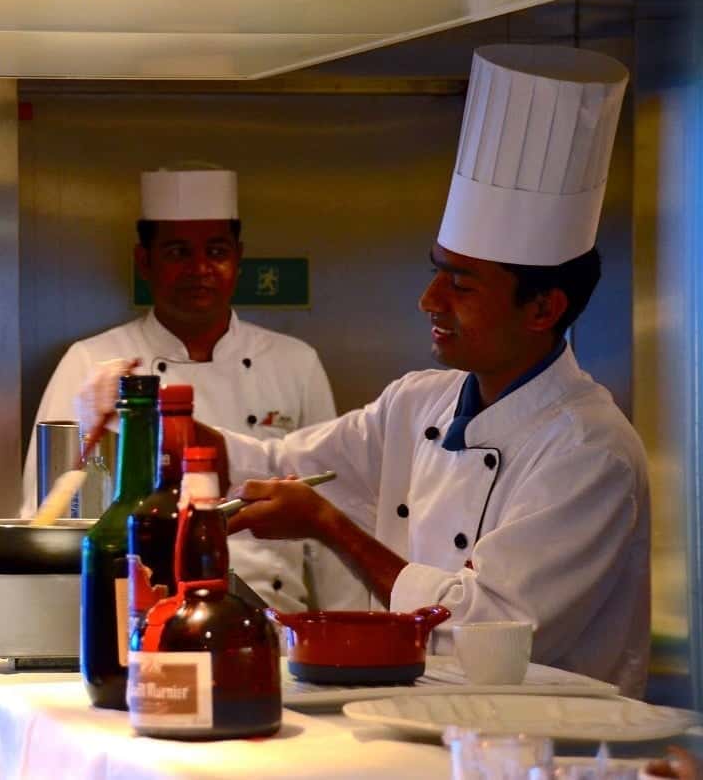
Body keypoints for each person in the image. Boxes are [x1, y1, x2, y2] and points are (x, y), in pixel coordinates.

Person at [196, 45, 649, 696]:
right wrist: (194, 444)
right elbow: (289, 461)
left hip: (548, 754)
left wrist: (330, 528)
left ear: (544, 308)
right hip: (425, 729)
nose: (429, 301)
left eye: (461, 286)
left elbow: (486, 626)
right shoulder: (421, 403)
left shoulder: (589, 451)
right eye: (435, 271)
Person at [23, 167, 367, 613]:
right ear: (144, 261)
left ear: (239, 258)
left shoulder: (295, 362)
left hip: (278, 620)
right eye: (178, 251)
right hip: (143, 612)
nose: (200, 268)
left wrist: (344, 631)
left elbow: (329, 507)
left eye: (216, 251)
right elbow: (47, 511)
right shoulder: (92, 362)